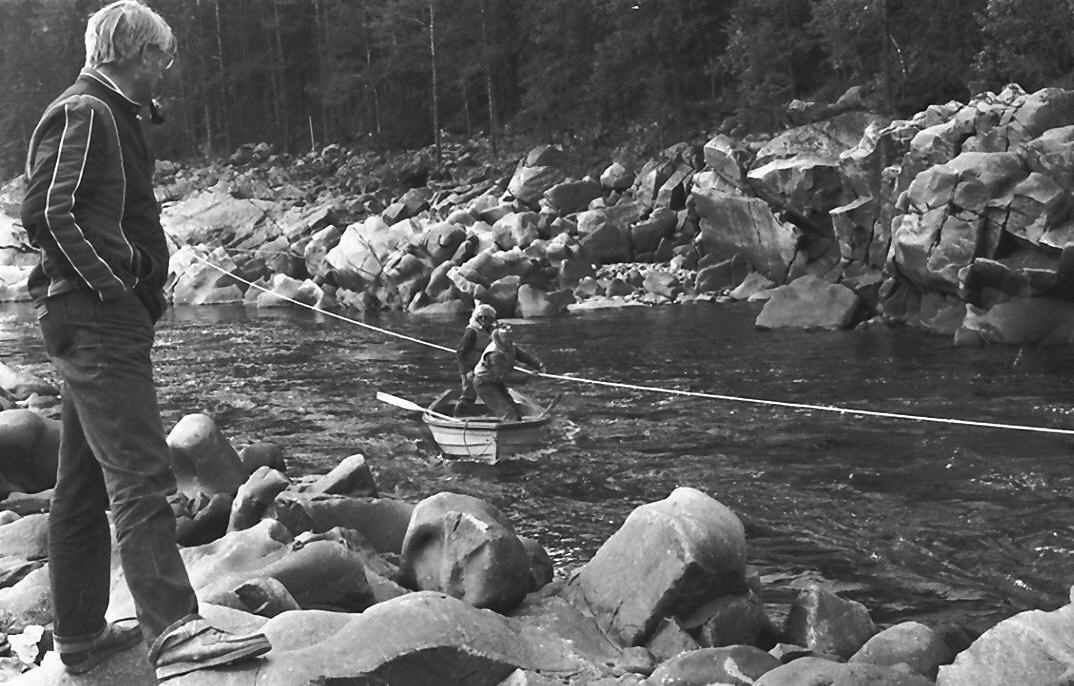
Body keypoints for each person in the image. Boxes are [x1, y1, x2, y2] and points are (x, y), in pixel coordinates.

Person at [20, 2, 270, 679]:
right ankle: (174, 630)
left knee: (78, 487)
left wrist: (127, 291)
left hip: (94, 321)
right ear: (131, 53)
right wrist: (115, 287)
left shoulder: (110, 113)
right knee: (139, 474)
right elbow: (46, 211)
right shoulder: (87, 112)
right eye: (161, 56)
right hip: (96, 320)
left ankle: (78, 636)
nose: (166, 67)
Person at [472, 324, 544, 421]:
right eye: (507, 340)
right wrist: (527, 377)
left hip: (495, 381)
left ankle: (519, 428)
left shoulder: (511, 346)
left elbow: (524, 356)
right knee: (508, 412)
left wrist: (539, 365)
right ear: (500, 338)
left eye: (511, 340)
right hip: (483, 384)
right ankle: (510, 433)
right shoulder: (495, 354)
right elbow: (502, 376)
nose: (509, 343)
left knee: (515, 410)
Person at [454, 303, 497, 416]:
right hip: (470, 368)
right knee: (469, 395)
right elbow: (460, 353)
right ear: (479, 318)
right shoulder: (471, 332)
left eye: (489, 318)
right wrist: (466, 371)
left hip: (484, 367)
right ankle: (456, 416)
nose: (484, 319)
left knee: (492, 392)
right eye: (481, 317)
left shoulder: (492, 330)